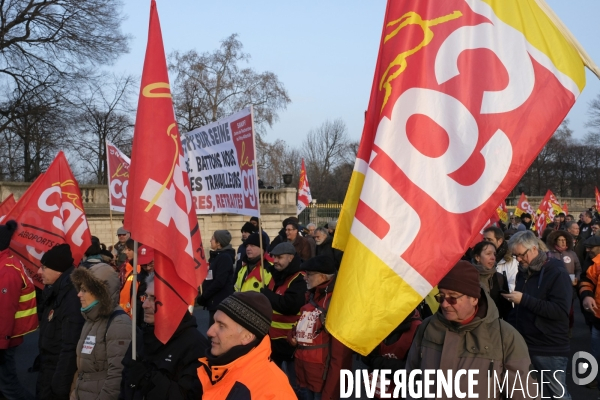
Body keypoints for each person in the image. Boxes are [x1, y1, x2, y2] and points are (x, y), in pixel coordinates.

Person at [405, 261, 536, 399]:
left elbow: (524, 394)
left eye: (453, 298)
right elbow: (411, 378)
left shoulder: (506, 336)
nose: (444, 304)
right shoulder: (427, 328)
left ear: (474, 299)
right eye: (441, 297)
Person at [503, 230, 573, 400]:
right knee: (531, 393)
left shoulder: (556, 272)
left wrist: (524, 299)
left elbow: (559, 310)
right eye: (515, 256)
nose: (518, 260)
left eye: (521, 255)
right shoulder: (524, 270)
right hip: (526, 342)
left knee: (557, 394)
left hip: (550, 346)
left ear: (534, 248)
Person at [120, 274, 208, 399]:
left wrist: (147, 378)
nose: (145, 305)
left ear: (173, 301)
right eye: (146, 297)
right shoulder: (140, 338)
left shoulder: (195, 346)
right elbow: (124, 387)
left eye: (153, 299)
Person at [197, 292, 296, 398]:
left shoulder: (273, 392)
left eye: (221, 326)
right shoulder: (217, 368)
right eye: (214, 322)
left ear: (247, 337)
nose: (209, 332)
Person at [290, 255, 353, 399]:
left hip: (321, 384)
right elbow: (301, 326)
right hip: (304, 378)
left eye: (309, 274)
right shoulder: (311, 297)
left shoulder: (336, 303)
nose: (305, 278)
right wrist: (292, 335)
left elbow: (340, 356)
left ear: (323, 277)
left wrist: (329, 394)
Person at [71, 263, 132, 399]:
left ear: (101, 292)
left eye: (84, 290)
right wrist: (74, 393)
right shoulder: (91, 319)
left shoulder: (119, 323)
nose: (79, 294)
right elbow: (82, 369)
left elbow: (117, 377)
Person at [37, 244, 85, 400]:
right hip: (49, 369)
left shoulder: (71, 297)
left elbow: (70, 345)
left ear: (58, 270)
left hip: (57, 375)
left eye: (44, 268)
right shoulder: (55, 290)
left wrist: (59, 385)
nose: (39, 272)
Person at [260, 242, 306, 394]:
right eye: (274, 257)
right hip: (273, 340)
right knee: (275, 383)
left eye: (280, 257)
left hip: (291, 342)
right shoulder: (275, 275)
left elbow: (290, 306)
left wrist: (267, 295)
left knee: (296, 386)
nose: (275, 261)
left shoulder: (299, 279)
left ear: (291, 258)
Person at [0, 220, 38, 400]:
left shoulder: (7, 270)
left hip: (5, 339)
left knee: (9, 386)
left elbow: (5, 311)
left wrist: (1, 343)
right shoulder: (7, 263)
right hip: (7, 336)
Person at [361, 310, 421, 398]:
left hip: (401, 391)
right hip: (377, 388)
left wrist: (377, 363)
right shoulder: (376, 320)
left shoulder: (418, 328)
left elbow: (412, 370)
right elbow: (365, 355)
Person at [198, 230, 235, 327]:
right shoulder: (218, 257)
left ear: (219, 243)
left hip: (219, 302)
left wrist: (204, 296)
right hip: (214, 302)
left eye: (213, 238)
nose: (210, 240)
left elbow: (219, 282)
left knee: (215, 333)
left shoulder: (224, 257)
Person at [470, 241, 512, 319]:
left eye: (494, 254)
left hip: (494, 325)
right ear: (477, 257)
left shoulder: (500, 278)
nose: (493, 258)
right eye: (488, 254)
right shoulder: (468, 277)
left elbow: (507, 310)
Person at [579, 235, 600, 391]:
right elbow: (586, 281)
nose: (587, 250)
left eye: (590, 247)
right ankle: (593, 379)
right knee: (595, 354)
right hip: (598, 319)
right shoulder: (596, 264)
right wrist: (586, 296)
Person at [483, 226, 519, 292]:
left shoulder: (512, 260)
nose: (486, 242)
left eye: (489, 240)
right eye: (484, 239)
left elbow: (513, 285)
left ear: (499, 241)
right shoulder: (480, 259)